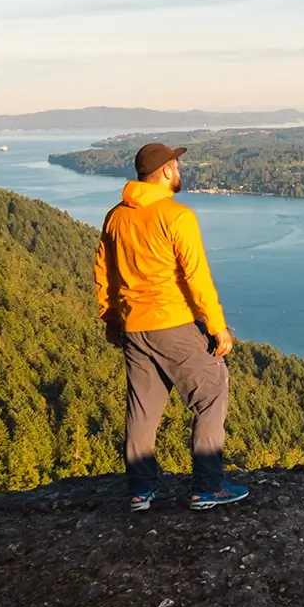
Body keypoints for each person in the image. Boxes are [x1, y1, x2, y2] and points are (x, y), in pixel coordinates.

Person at [95, 141, 250, 510]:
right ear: (165, 171)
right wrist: (216, 326)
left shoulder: (116, 216)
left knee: (143, 409)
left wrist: (112, 319)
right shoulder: (176, 216)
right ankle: (208, 486)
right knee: (211, 393)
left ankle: (140, 491)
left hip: (135, 327)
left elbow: (105, 273)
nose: (179, 171)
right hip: (174, 322)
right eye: (176, 166)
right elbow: (196, 276)